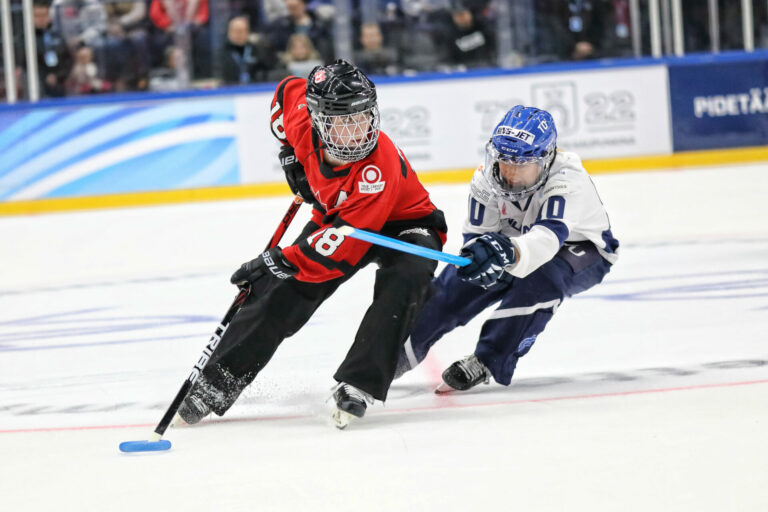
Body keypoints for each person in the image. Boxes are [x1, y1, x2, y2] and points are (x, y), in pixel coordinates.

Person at [177, 59, 447, 428]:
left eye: (363, 117)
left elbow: (340, 246)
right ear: (318, 119)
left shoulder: (375, 167)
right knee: (284, 293)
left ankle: (359, 383)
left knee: (407, 277)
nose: (358, 131)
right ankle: (215, 384)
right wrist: (290, 155)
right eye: (343, 121)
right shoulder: (302, 121)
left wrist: (274, 262)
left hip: (405, 225)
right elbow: (287, 90)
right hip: (341, 219)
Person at [395, 105, 619, 392]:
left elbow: (548, 239)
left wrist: (506, 253)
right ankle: (388, 358)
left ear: (546, 159)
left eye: (522, 163)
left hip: (582, 249)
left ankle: (489, 359)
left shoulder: (567, 180)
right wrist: (478, 257)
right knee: (453, 285)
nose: (510, 172)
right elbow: (477, 236)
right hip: (511, 243)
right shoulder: (485, 178)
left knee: (542, 280)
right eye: (505, 161)